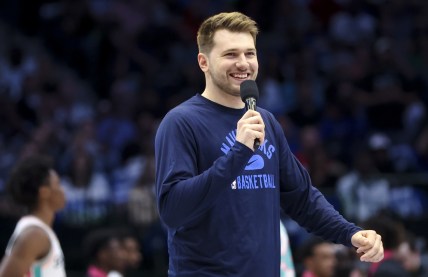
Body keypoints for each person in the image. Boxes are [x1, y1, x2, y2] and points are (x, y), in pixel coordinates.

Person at [154, 11, 384, 277]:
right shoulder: (181, 122)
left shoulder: (266, 121)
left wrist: (350, 233)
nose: (243, 63)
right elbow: (172, 210)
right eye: (230, 54)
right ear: (203, 62)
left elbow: (303, 199)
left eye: (249, 53)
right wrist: (238, 152)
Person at [0, 155, 67, 276]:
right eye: (58, 184)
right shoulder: (34, 235)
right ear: (44, 192)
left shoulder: (41, 231)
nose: (63, 190)